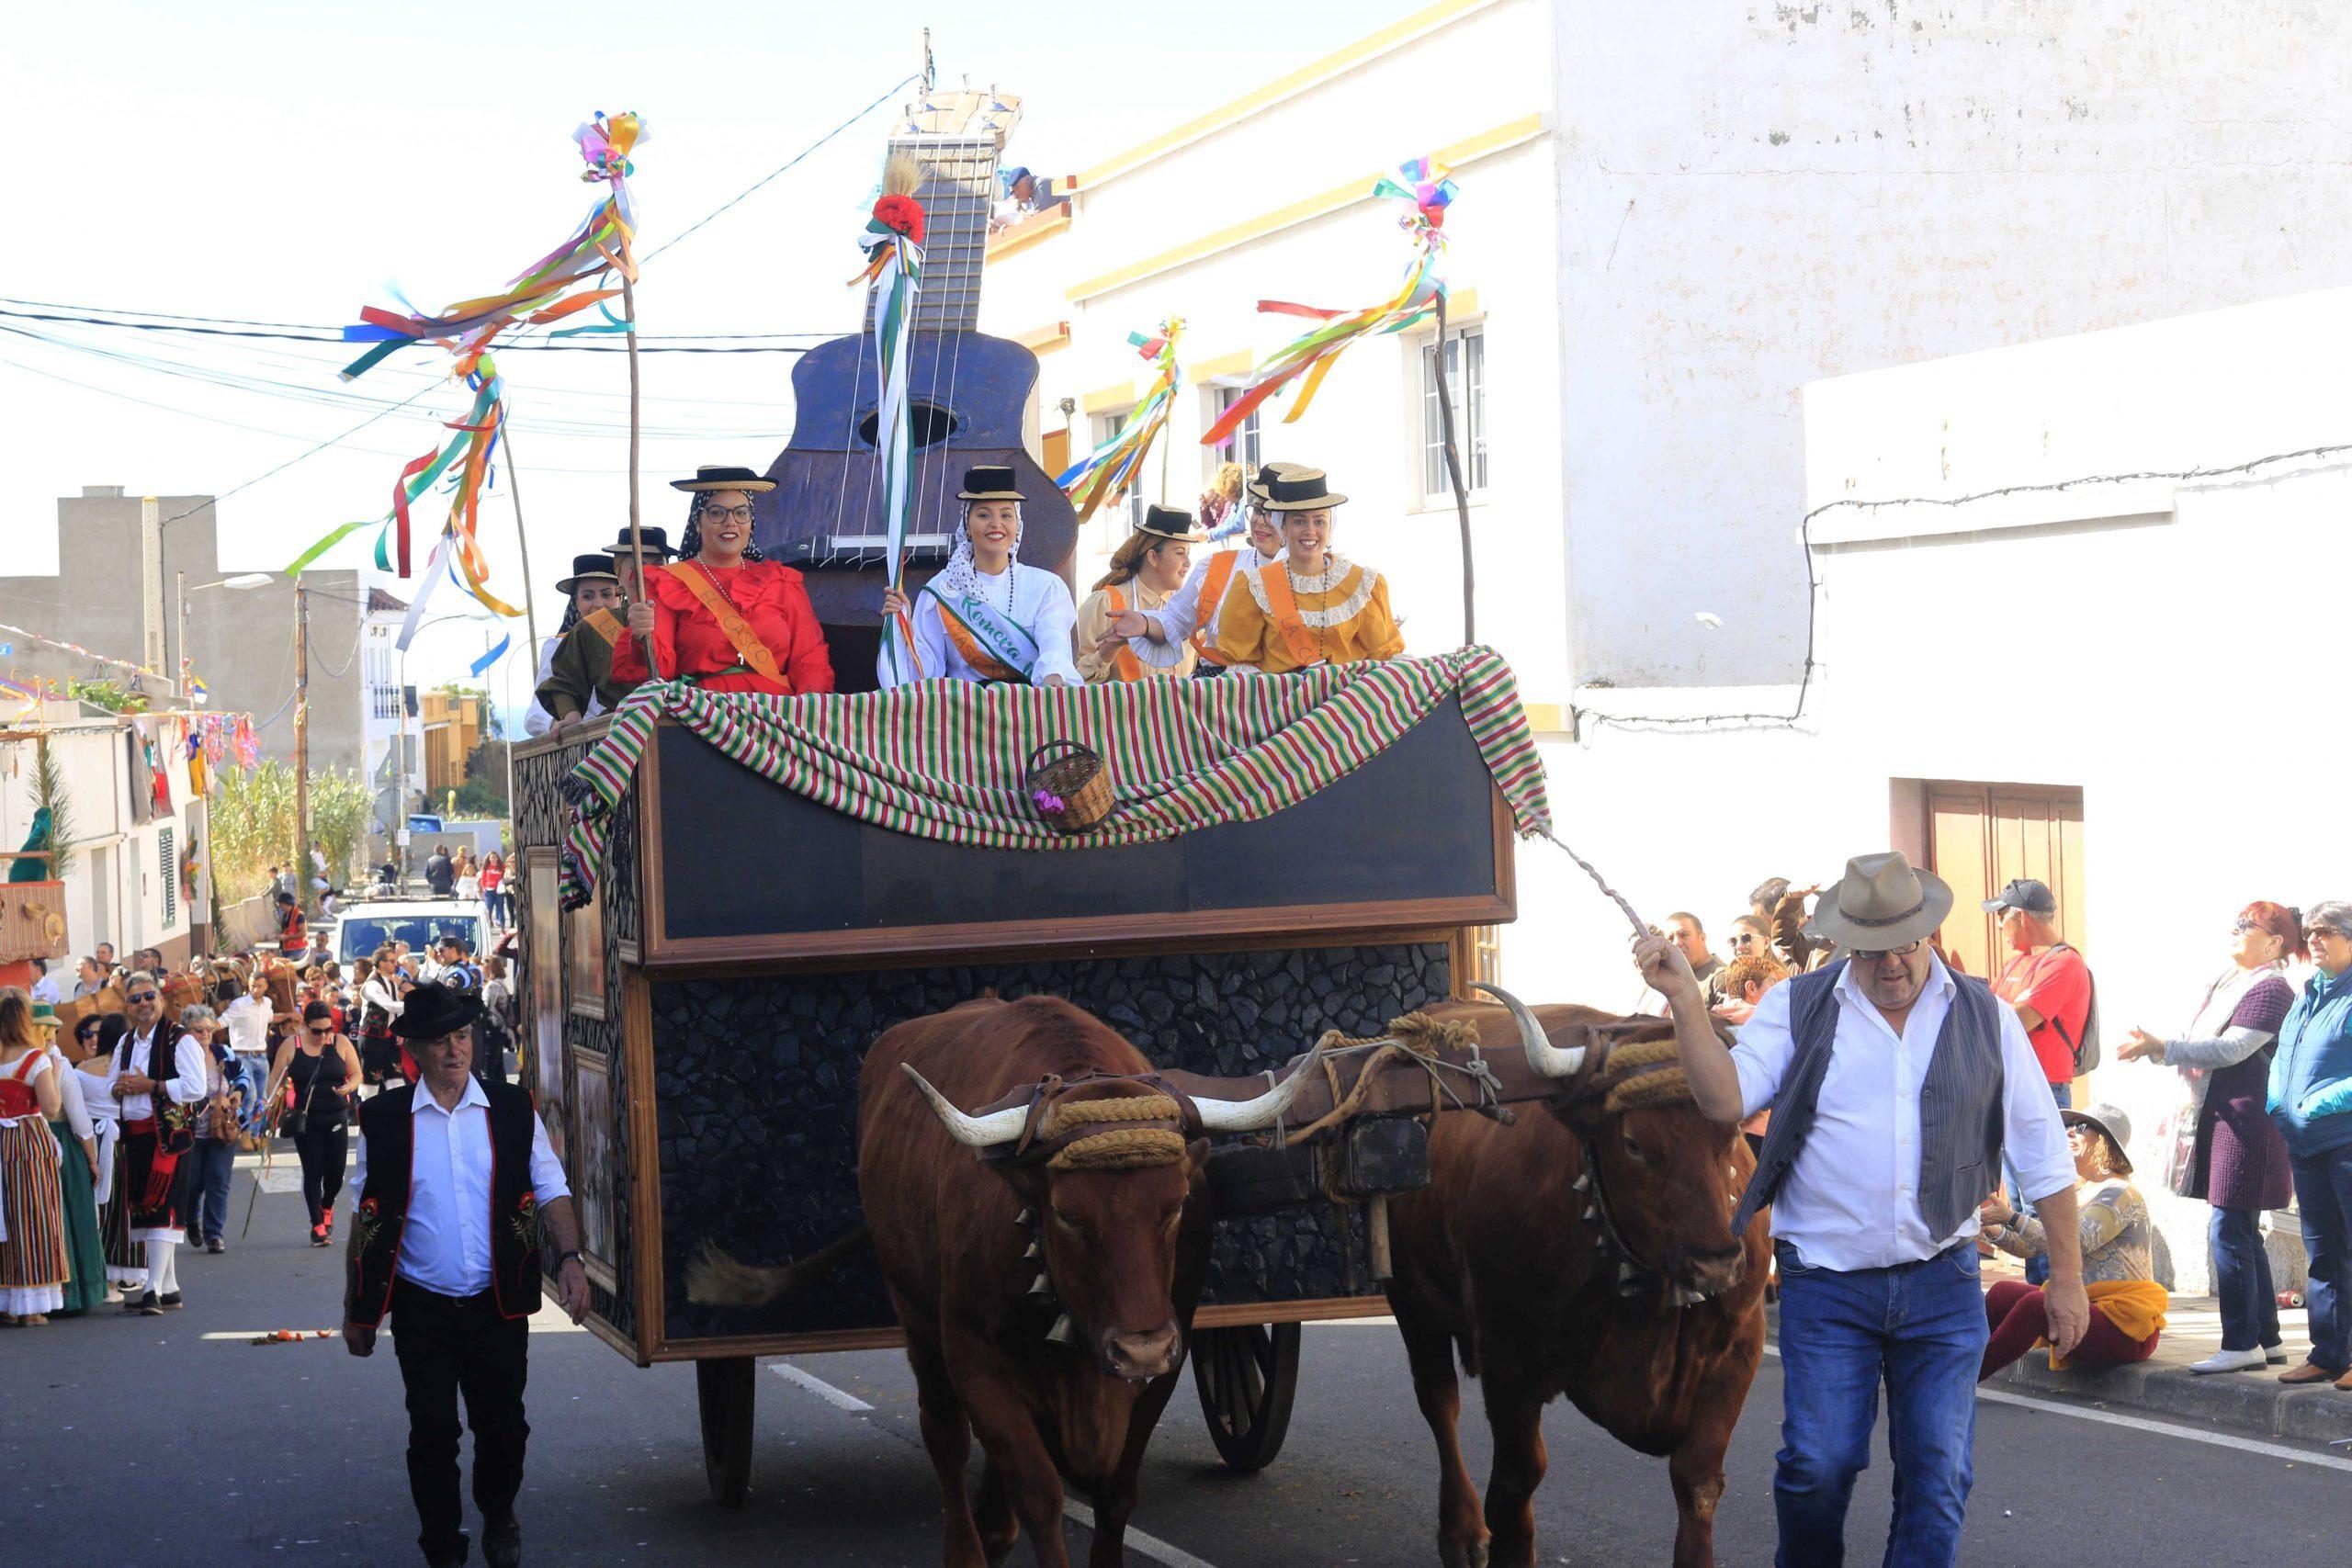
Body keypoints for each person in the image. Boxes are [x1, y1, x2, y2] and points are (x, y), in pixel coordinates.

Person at [1641, 852, 2082, 1566]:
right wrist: (1688, 1003)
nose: (1890, 965)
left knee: (1939, 1476)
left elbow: (2044, 1153)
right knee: (1818, 1466)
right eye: (1872, 949)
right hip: (1827, 1285)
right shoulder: (1798, 1005)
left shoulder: (1986, 1016)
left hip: (1942, 1282)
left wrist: (2066, 1276)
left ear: (1928, 933)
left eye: (1904, 945)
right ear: (1847, 942)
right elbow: (1725, 1099)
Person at [344, 984, 589, 1568]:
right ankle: (442, 1547)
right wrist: (357, 1309)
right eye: (440, 1041)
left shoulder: (511, 1108)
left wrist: (572, 1260)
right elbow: (366, 1215)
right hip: (422, 1305)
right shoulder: (383, 1120)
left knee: (504, 1428)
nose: (455, 1051)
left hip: (496, 1302)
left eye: (462, 1037)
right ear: (415, 1051)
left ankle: (498, 1514)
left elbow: (551, 1186)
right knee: (432, 1432)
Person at [2113, 901, 2300, 1371]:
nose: (2235, 931)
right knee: (2241, 1231)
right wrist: (2164, 1049)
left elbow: (2232, 1048)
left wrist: (2162, 1049)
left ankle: (2240, 1344)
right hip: (2221, 1118)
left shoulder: (2273, 987)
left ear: (2275, 942)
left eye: (2247, 925)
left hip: (2246, 1122)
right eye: (2236, 922)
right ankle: (2267, 1340)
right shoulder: (2228, 980)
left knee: (2230, 1229)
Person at [1979, 1102, 2167, 1379]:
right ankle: (1952, 1362)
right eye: (2067, 1127)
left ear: (2104, 1141)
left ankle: (1961, 1379)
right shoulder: (2082, 1193)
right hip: (2090, 1309)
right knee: (2003, 1292)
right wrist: (1989, 1229)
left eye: (2079, 1128)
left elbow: (2076, 1241)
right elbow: (2033, 1246)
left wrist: (2011, 1217)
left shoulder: (2120, 1192)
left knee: (2036, 1308)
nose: (2068, 1133)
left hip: (2127, 1325)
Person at [611, 467, 836, 697]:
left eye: (741, 513)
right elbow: (658, 670)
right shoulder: (666, 582)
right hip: (703, 715)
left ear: (751, 522)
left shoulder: (781, 581)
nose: (731, 522)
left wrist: (806, 709)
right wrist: (640, 639)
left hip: (775, 716)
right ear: (697, 523)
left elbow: (810, 657)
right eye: (717, 513)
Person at [876, 465, 1082, 689]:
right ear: (967, 524)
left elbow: (1054, 642)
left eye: (1006, 515)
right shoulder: (942, 591)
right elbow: (924, 676)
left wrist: (1054, 674)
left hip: (1028, 709)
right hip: (967, 714)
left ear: (1017, 524)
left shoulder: (1045, 587)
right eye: (984, 515)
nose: (996, 524)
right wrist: (903, 626)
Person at [1099, 461, 1302, 677]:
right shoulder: (1218, 566)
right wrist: (1145, 623)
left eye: (1271, 513)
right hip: (1221, 696)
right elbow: (1175, 621)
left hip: (1290, 695)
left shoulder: (1320, 576)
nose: (1260, 521)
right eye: (1257, 511)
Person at [1985, 877, 2093, 1287]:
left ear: (2021, 917)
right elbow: (1992, 1015)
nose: (1998, 926)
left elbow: (2015, 1018)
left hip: (2044, 1090)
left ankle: (2054, 1298)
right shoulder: (2017, 963)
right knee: (2022, 1207)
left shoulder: (2064, 963)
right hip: (2007, 1091)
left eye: (2001, 917)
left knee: (2043, 1202)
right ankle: (2037, 1300)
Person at [2270, 899, 2352, 1390]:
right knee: (2322, 1253)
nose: (2315, 939)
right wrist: (2276, 1101)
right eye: (2311, 932)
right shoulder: (2308, 995)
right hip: (2305, 1145)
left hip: (2345, 1141)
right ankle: (2329, 1353)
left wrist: (2321, 1101)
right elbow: (2283, 1055)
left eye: (2327, 931)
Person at [1210, 470, 1402, 672]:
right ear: (1283, 527)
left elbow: (1385, 657)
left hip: (1346, 701)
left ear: (1330, 527)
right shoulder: (1255, 586)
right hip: (1284, 701)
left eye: (1319, 521)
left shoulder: (1363, 584)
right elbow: (1242, 664)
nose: (1310, 531)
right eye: (1299, 521)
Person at [107, 971, 206, 1314]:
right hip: (135, 1137)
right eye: (135, 999)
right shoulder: (125, 1043)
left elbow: (196, 1087)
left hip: (169, 1137)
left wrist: (151, 1086)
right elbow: (112, 1085)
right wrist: (119, 1088)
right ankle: (169, 1286)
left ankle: (151, 1289)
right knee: (147, 1211)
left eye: (149, 996)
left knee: (164, 1210)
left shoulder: (181, 1040)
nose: (144, 1004)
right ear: (127, 1006)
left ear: (160, 998)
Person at [537, 528, 682, 739]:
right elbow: (564, 682)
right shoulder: (591, 629)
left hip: (686, 730)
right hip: (621, 736)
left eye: (657, 565)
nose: (647, 573)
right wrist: (571, 715)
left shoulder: (690, 617)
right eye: (638, 565)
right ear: (618, 572)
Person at [266, 1000, 362, 1247]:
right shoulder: (291, 1046)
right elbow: (275, 1078)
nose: (323, 1036)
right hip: (306, 1120)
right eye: (316, 1031)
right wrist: (270, 1104)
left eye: (327, 1030)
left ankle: (327, 1205)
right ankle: (317, 1225)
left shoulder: (340, 1042)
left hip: (336, 1116)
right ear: (305, 1027)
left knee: (336, 1174)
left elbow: (357, 1073)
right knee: (312, 1171)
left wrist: (349, 1087)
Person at [0, 990, 69, 1326]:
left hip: (1, 1141)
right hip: (27, 1141)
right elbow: (52, 1107)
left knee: (4, 1221)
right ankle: (31, 1306)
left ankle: (7, 1303)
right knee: (34, 1218)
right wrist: (54, 1077)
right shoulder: (35, 1059)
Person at [1074, 505, 1203, 682]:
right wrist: (1110, 648)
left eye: (1188, 553)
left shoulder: (1188, 608)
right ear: (1153, 558)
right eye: (1180, 553)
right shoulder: (1106, 603)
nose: (1188, 563)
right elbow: (1075, 683)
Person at [39, 1006, 106, 1314]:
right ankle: (74, 1291)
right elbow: (79, 1120)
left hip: (18, 1145)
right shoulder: (57, 1063)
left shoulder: (9, 1060)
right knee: (71, 1216)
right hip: (60, 1142)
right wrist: (92, 1160)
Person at [526, 553, 622, 738]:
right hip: (582, 744)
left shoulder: (636, 641)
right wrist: (558, 722)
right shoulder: (559, 645)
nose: (598, 604)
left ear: (619, 597)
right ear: (576, 602)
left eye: (606, 595)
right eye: (588, 596)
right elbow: (535, 714)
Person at [174, 1004, 241, 1254]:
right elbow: (178, 1093)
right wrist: (211, 1102)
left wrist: (237, 1094)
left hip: (221, 1131)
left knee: (219, 1181)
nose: (205, 1035)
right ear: (186, 1032)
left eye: (209, 1029)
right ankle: (192, 1218)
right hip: (191, 1133)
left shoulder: (223, 1052)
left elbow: (241, 1077)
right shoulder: (177, 1057)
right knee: (193, 1184)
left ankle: (214, 1234)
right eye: (198, 1030)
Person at [220, 972, 276, 1138]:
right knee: (249, 1096)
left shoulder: (267, 1003)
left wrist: (290, 1015)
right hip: (242, 1056)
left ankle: (256, 1135)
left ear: (266, 986)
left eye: (259, 985)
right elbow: (222, 1021)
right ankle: (246, 1133)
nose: (255, 989)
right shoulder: (239, 1005)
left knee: (262, 1098)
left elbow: (271, 1018)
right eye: (253, 985)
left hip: (261, 1056)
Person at [358, 946, 410, 1087]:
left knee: (396, 1081)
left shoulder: (391, 983)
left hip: (390, 1038)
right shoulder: (372, 985)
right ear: (381, 963)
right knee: (371, 1085)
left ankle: (395, 1109)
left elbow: (396, 1007)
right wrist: (414, 1005)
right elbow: (388, 1005)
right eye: (392, 961)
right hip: (372, 1039)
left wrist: (400, 1030)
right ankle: (366, 1109)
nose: (396, 964)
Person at [478, 956, 515, 1085]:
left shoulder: (492, 986)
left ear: (489, 967)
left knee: (487, 1071)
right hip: (500, 1030)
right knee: (498, 1070)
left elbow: (486, 1008)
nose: (479, 966)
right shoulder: (500, 983)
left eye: (482, 964)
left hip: (492, 1030)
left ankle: (490, 1101)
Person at [480, 851, 508, 931]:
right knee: (489, 909)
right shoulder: (486, 867)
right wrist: (484, 888)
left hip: (499, 890)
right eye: (491, 857)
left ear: (497, 858)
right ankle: (488, 926)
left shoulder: (502, 867)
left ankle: (502, 928)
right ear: (489, 858)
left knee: (500, 909)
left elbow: (506, 874)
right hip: (489, 890)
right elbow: (483, 878)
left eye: (495, 857)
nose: (493, 859)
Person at [276, 889, 307, 960]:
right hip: (286, 950)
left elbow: (303, 933)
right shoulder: (285, 915)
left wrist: (286, 937)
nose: (279, 906)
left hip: (297, 951)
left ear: (284, 904)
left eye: (280, 904)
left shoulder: (298, 915)